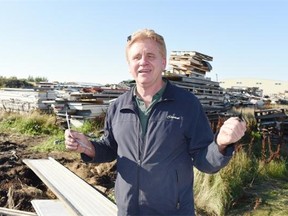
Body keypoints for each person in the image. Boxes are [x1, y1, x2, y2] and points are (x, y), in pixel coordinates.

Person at [65, 29, 246, 216]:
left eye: (150, 56)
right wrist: (88, 147)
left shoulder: (186, 104)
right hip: (128, 210)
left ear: (163, 62)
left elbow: (204, 161)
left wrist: (221, 144)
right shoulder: (117, 107)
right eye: (136, 57)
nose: (143, 62)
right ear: (129, 65)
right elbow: (111, 147)